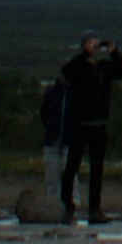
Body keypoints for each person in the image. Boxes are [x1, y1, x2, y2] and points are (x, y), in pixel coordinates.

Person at [57, 36, 122, 225]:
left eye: (97, 43)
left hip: (99, 124)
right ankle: (67, 206)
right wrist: (84, 54)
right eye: (91, 43)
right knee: (72, 167)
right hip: (79, 124)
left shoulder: (104, 68)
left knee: (97, 169)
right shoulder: (78, 66)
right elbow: (67, 71)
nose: (95, 46)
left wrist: (114, 51)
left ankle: (94, 210)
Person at [39, 70, 69, 209]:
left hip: (69, 140)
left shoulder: (75, 93)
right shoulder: (51, 93)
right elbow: (43, 113)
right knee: (52, 175)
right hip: (52, 139)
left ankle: (70, 204)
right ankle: (52, 204)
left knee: (69, 174)